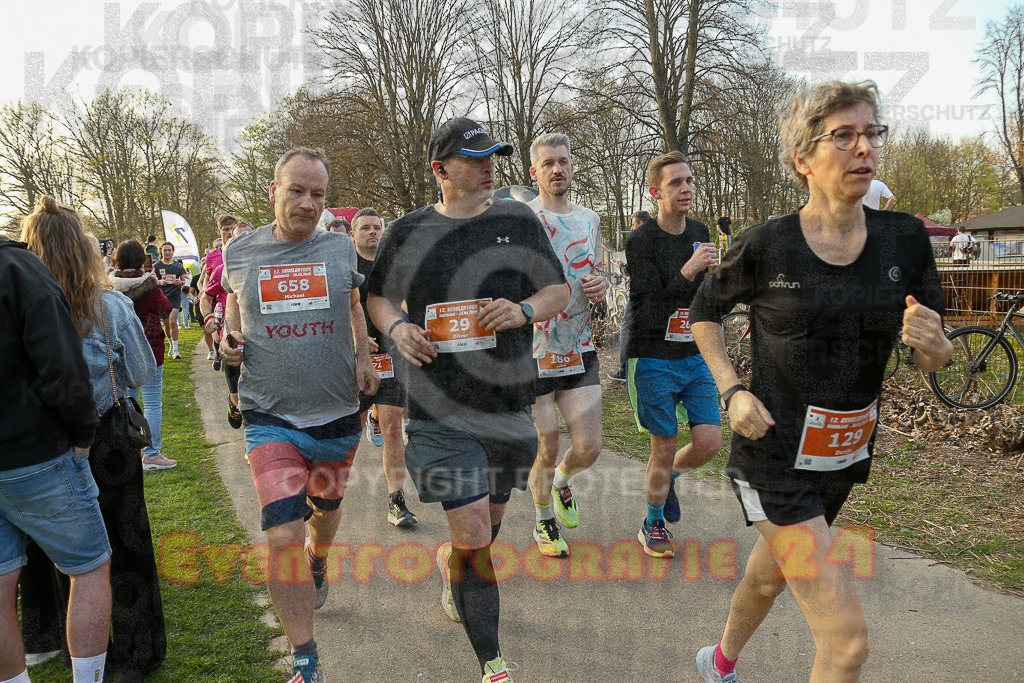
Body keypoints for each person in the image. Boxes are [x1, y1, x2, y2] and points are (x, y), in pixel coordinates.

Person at [690, 80, 951, 683]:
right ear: (803, 159)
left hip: (843, 456)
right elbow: (703, 312)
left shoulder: (904, 239)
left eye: (872, 133)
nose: (865, 148)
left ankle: (718, 663)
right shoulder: (766, 245)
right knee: (847, 645)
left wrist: (934, 349)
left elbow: (929, 356)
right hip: (773, 457)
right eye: (844, 136)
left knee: (767, 574)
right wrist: (732, 391)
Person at [366, 118, 568, 683]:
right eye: (475, 158)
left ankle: (453, 567)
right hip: (438, 411)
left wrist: (525, 310)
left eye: (494, 157)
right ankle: (493, 665)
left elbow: (557, 289)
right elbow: (377, 295)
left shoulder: (517, 219)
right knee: (476, 531)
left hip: (506, 408)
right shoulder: (410, 231)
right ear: (440, 170)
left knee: (490, 522)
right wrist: (398, 327)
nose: (489, 167)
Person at [218, 147, 378, 683]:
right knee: (282, 533)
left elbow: (355, 306)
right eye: (297, 191)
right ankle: (305, 660)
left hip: (335, 411)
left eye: (318, 195)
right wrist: (228, 341)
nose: (308, 203)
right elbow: (233, 309)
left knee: (325, 512)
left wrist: (362, 358)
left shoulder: (339, 248)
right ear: (273, 191)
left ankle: (319, 557)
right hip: (270, 415)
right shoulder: (241, 252)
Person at [19, 196, 165, 680]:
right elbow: (142, 369)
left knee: (45, 542)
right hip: (106, 436)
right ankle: (133, 650)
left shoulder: (20, 305)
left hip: (43, 439)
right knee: (123, 545)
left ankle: (49, 640)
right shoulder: (109, 306)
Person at [0, 229, 112, 683]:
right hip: (35, 454)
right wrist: (83, 428)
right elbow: (62, 364)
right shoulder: (18, 268)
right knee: (88, 569)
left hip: (27, 449)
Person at [623, 150, 723, 556]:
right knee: (663, 444)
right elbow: (649, 310)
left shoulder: (698, 230)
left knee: (710, 442)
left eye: (689, 181)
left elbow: (706, 301)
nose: (686, 188)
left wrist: (717, 280)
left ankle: (671, 479)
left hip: (693, 351)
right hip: (651, 354)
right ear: (656, 193)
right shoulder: (641, 240)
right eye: (675, 183)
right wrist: (689, 270)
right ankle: (652, 523)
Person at [524, 133, 607, 557]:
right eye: (548, 163)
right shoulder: (524, 218)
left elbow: (599, 272)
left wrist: (601, 285)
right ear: (534, 172)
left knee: (590, 446)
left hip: (579, 346)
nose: (557, 169)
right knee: (547, 441)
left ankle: (561, 481)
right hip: (535, 349)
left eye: (564, 161)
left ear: (573, 167)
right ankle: (544, 522)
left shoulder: (590, 219)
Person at [351, 207, 419, 528]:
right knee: (348, 431)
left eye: (377, 227)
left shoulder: (393, 262)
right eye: (365, 228)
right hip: (356, 359)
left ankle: (396, 500)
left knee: (394, 425)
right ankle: (329, 494)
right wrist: (357, 342)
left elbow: (409, 301)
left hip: (391, 354)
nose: (373, 233)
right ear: (353, 234)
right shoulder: (345, 264)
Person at [110, 241, 177, 471]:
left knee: (129, 402)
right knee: (152, 403)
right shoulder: (149, 286)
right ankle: (151, 453)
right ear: (142, 259)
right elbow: (165, 310)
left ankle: (133, 451)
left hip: (120, 351)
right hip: (149, 349)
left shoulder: (109, 286)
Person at [608, 209, 650, 383]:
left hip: (640, 294)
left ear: (639, 223)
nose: (631, 228)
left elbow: (631, 270)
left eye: (633, 224)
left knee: (626, 328)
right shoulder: (661, 237)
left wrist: (620, 266)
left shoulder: (638, 240)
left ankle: (625, 370)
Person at [152, 242, 187, 359]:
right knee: (166, 323)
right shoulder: (156, 266)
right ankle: (171, 345)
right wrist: (159, 282)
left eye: (169, 250)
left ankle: (176, 349)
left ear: (173, 251)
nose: (167, 252)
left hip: (175, 296)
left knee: (173, 321)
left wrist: (179, 283)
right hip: (162, 297)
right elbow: (152, 281)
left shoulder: (178, 266)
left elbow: (183, 281)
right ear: (161, 251)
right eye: (165, 250)